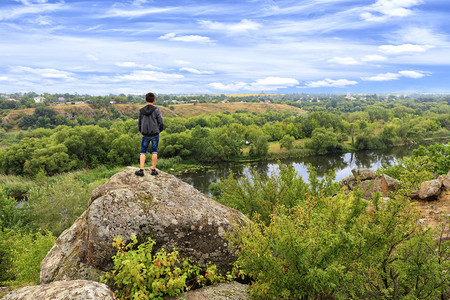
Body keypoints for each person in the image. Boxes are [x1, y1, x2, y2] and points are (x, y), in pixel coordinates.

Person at [135, 92, 164, 176]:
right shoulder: (156, 110)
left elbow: (139, 123)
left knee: (142, 152)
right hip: (155, 133)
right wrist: (159, 130)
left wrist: (142, 131)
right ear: (154, 100)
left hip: (145, 134)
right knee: (154, 151)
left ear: (145, 100)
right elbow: (161, 122)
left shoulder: (141, 110)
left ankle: (141, 170)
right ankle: (153, 170)